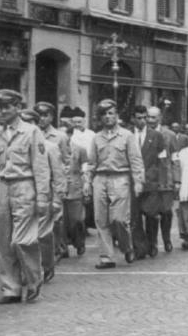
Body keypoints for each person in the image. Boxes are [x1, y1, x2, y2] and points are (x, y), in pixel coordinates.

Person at [0, 89, 50, 304]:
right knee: (3, 242)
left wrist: (43, 198)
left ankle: (33, 280)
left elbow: (40, 167)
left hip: (25, 187)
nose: (0, 111)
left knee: (23, 240)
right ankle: (11, 288)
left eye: (6, 107)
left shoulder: (32, 132)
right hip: (3, 188)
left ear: (17, 108)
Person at [85, 99, 144, 269]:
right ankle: (106, 257)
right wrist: (87, 181)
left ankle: (127, 246)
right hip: (100, 179)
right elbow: (91, 163)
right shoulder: (97, 138)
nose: (107, 117)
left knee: (118, 219)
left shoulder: (127, 136)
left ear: (117, 115)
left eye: (111, 113)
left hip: (120, 178)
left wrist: (138, 181)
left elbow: (136, 160)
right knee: (101, 220)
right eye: (104, 114)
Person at [20, 109, 66, 284]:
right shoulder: (17, 145)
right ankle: (29, 271)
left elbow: (59, 176)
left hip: (44, 197)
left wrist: (56, 200)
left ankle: (46, 265)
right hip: (23, 197)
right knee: (23, 238)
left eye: (31, 123)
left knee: (42, 235)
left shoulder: (49, 147)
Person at [34, 101, 70, 259]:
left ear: (52, 117)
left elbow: (66, 161)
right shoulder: (31, 134)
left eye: (45, 115)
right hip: (35, 183)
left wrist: (61, 186)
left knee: (56, 218)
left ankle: (59, 247)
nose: (42, 118)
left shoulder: (60, 137)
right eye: (39, 115)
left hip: (52, 182)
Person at [131, 105, 165, 259]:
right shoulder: (127, 135)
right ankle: (140, 247)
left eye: (145, 117)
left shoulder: (156, 136)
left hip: (151, 181)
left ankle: (152, 243)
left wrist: (162, 181)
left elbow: (162, 160)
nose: (143, 121)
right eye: (139, 118)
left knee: (151, 214)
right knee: (135, 216)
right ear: (133, 119)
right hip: (131, 181)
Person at [146, 106, 180, 254]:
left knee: (166, 211)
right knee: (150, 213)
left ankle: (167, 240)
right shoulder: (143, 134)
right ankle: (152, 244)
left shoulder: (169, 135)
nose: (150, 120)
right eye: (148, 117)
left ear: (160, 118)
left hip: (166, 179)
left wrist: (177, 180)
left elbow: (175, 159)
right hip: (150, 180)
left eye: (153, 117)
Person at [63, 124, 89, 256]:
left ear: (70, 135)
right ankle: (62, 247)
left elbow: (85, 170)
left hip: (75, 187)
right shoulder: (52, 149)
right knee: (61, 220)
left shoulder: (80, 150)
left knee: (76, 219)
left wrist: (86, 185)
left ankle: (79, 242)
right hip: (59, 188)